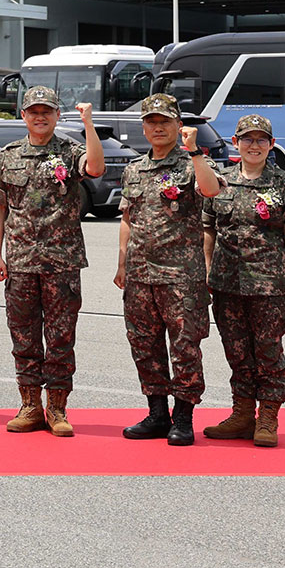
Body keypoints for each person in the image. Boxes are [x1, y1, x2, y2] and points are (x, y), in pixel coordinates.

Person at [0, 88, 104, 437]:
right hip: (21, 261)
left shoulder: (70, 151)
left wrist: (89, 124)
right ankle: (29, 405)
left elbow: (95, 167)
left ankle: (57, 408)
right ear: (23, 115)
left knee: (60, 338)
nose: (40, 117)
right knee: (23, 337)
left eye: (47, 112)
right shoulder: (8, 156)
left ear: (56, 116)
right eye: (34, 112)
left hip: (61, 262)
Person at [115, 93, 224, 446]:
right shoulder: (134, 169)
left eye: (165, 121)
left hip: (180, 276)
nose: (158, 127)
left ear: (178, 125)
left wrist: (194, 152)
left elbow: (211, 191)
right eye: (151, 122)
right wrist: (122, 263)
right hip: (140, 276)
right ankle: (157, 414)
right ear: (144, 128)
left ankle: (183, 417)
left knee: (184, 347)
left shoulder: (192, 163)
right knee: (144, 345)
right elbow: (128, 218)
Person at [200, 115, 285, 448]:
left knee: (268, 351)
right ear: (235, 143)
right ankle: (243, 414)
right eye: (247, 139)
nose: (254, 145)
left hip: (270, 285)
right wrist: (207, 270)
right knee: (236, 351)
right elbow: (208, 229)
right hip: (227, 284)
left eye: (262, 139)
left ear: (271, 145)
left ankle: (268, 417)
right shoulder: (220, 183)